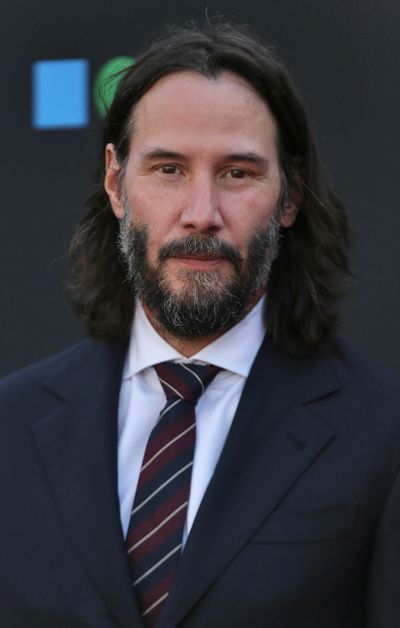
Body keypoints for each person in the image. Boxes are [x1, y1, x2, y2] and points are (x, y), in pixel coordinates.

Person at [1, 23, 399, 628]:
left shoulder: (384, 433)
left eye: (238, 173)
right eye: (168, 170)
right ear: (116, 183)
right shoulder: (12, 425)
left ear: (288, 197)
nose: (201, 214)